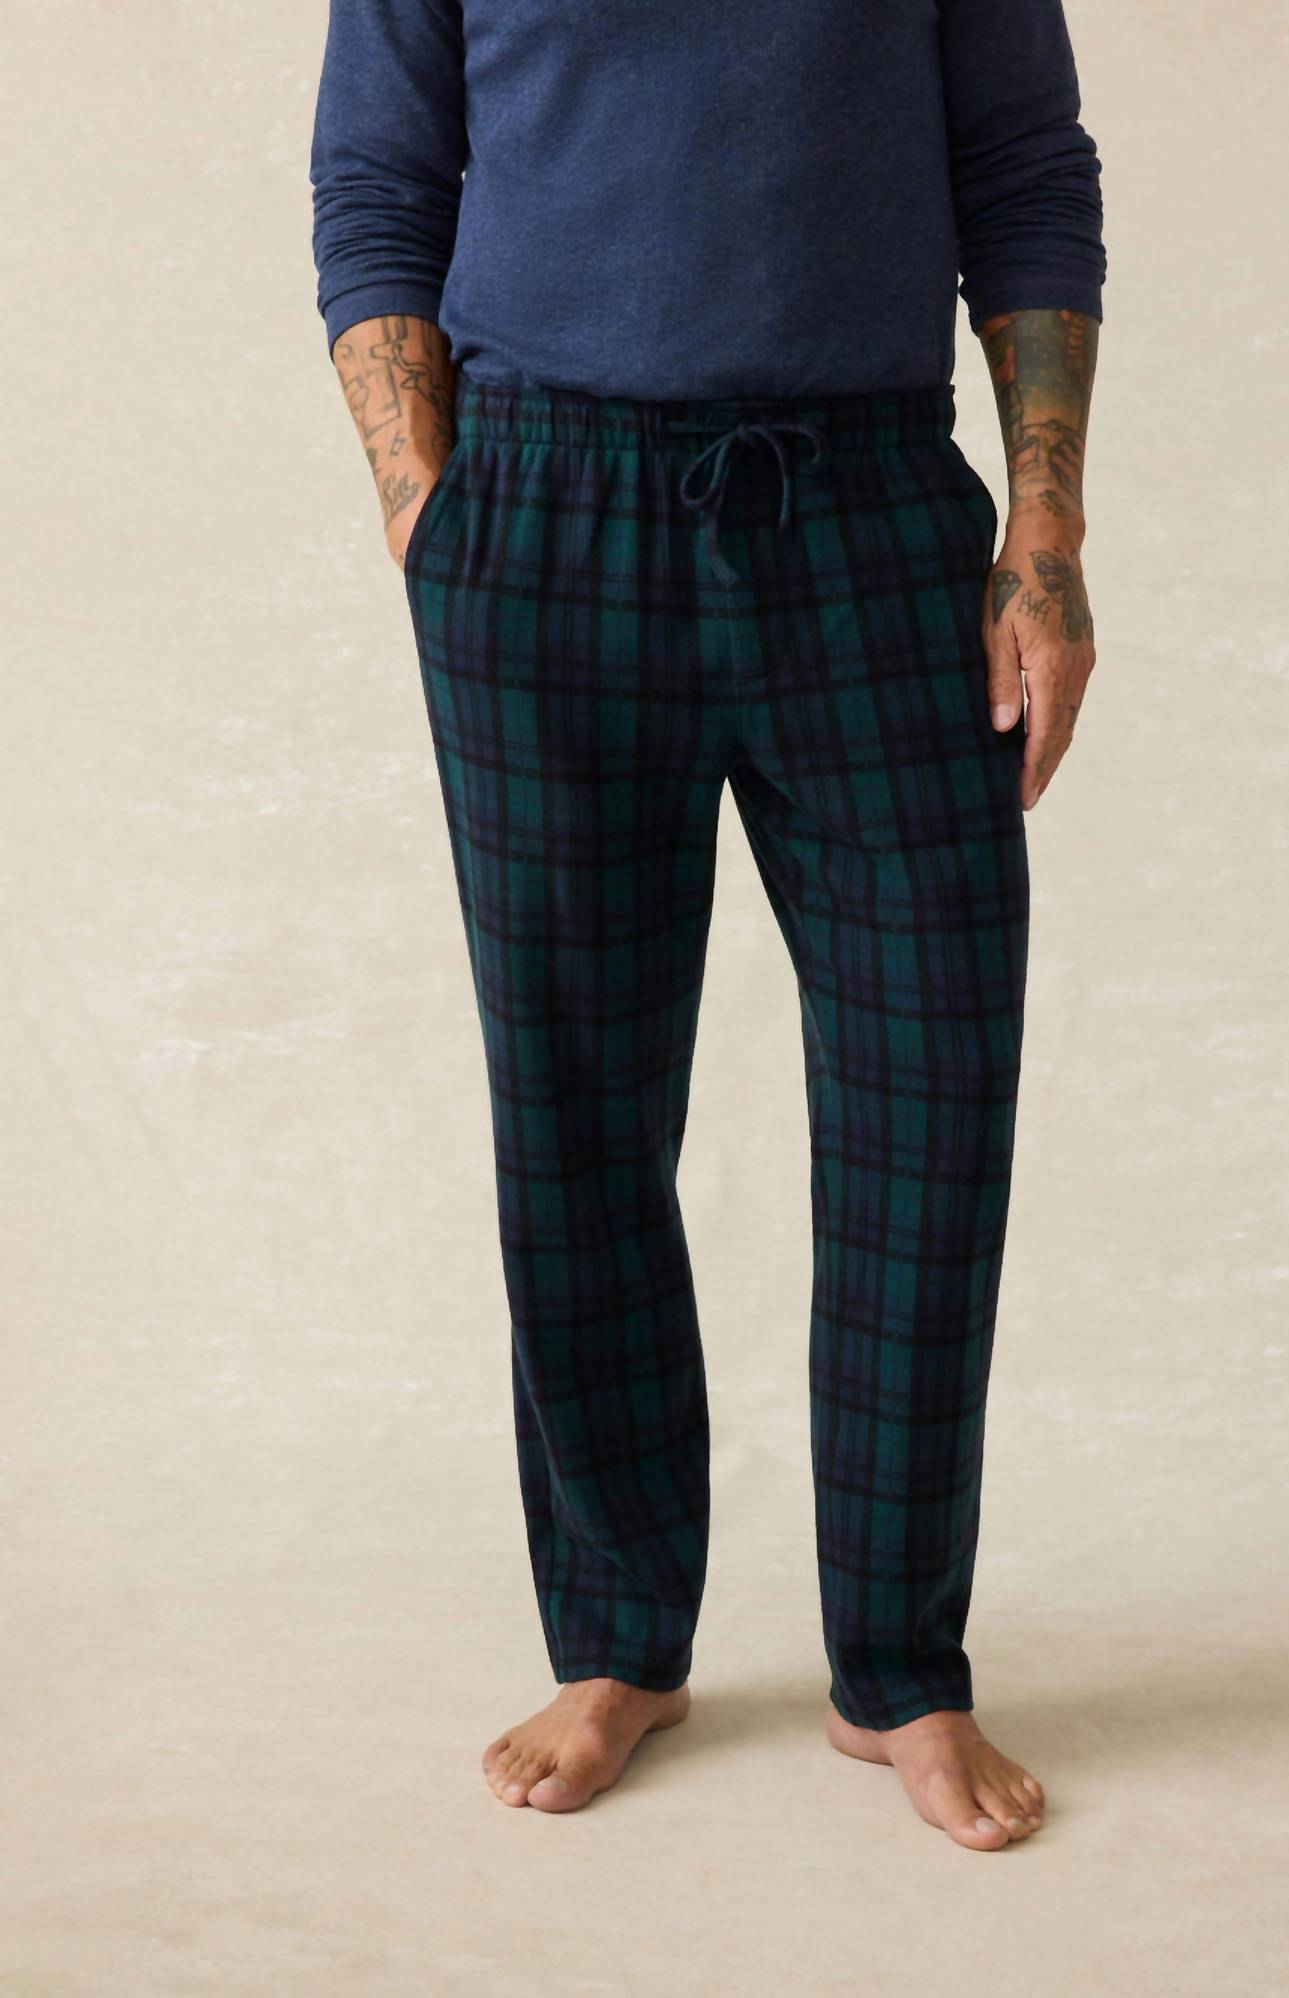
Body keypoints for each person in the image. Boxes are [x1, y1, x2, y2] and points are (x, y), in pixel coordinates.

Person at [310, 0, 1103, 1854]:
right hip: (541, 514)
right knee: (576, 1107)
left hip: (873, 512)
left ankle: (898, 1662)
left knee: (932, 1090)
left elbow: (1023, 169)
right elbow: (380, 175)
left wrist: (1046, 535)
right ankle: (616, 1637)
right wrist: (430, 510)